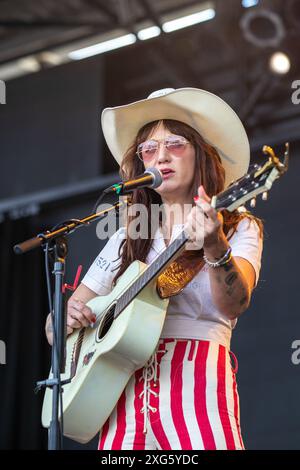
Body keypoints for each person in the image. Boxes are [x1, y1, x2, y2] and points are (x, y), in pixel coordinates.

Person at [45, 87, 263, 450]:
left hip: (198, 388)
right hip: (120, 396)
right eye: (149, 149)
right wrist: (63, 318)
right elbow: (57, 329)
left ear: (201, 155)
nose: (160, 156)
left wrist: (213, 244)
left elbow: (234, 304)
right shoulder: (127, 238)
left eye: (175, 144)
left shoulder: (237, 226)